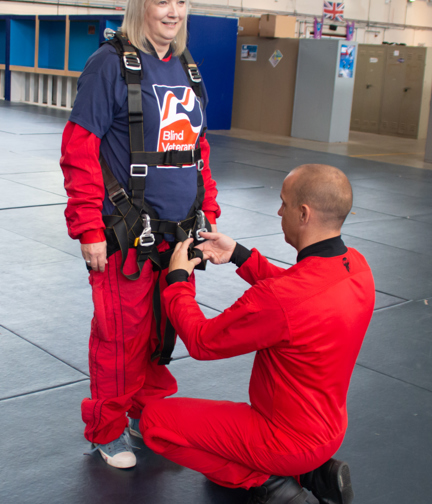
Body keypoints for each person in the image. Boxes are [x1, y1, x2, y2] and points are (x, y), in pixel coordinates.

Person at [139, 164, 375, 504]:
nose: (279, 211)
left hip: (283, 440)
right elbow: (302, 290)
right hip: (330, 430)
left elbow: (203, 341)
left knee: (155, 423)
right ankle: (312, 472)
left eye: (284, 203)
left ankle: (272, 482)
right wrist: (238, 255)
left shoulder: (282, 300)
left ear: (304, 213)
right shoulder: (357, 267)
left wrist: (176, 282)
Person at [60, 0, 220, 469]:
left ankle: (147, 416)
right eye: (162, 2)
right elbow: (79, 150)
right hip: (127, 235)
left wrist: (208, 213)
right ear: (139, 6)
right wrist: (88, 226)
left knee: (160, 335)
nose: (173, 12)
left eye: (181, 2)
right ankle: (107, 429)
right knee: (120, 338)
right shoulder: (108, 65)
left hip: (180, 234)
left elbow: (199, 149)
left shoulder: (188, 69)